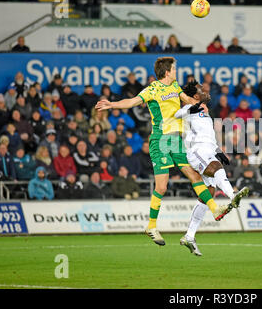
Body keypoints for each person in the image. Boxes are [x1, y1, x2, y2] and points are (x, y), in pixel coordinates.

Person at [95, 56, 238, 246]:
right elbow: (133, 101)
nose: (177, 71)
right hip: (160, 140)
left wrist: (197, 103)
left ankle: (214, 209)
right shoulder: (153, 89)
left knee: (194, 176)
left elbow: (187, 99)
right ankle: (151, 225)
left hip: (176, 140)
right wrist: (112, 104)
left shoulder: (175, 86)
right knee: (161, 187)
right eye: (174, 68)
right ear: (167, 71)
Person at [175, 80, 249, 256]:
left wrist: (218, 150)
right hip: (196, 151)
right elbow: (177, 114)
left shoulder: (205, 112)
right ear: (195, 96)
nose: (206, 92)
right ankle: (233, 196)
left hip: (208, 149)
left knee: (208, 193)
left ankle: (189, 236)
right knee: (216, 168)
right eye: (202, 90)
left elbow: (208, 135)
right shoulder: (190, 109)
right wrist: (189, 109)